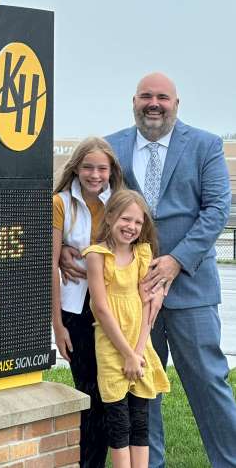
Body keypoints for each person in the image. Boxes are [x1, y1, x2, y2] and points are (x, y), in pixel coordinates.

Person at [61, 72, 236, 467]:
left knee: (209, 383)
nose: (153, 104)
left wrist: (176, 262)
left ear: (176, 104)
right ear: (134, 101)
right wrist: (65, 250)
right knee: (139, 387)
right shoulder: (114, 146)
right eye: (145, 97)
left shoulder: (206, 145)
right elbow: (87, 201)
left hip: (190, 288)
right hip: (128, 295)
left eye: (162, 97)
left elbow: (216, 211)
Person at [83, 189, 170, 468]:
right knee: (119, 423)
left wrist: (140, 349)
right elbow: (102, 309)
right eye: (125, 219)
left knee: (140, 421)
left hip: (139, 345)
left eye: (138, 222)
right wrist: (127, 354)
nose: (131, 227)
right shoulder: (97, 256)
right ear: (109, 217)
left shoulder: (143, 253)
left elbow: (147, 303)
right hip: (112, 347)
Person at [52, 136, 124, 468]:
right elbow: (51, 266)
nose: (95, 175)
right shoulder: (61, 204)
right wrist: (57, 327)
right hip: (75, 312)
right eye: (88, 167)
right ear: (76, 168)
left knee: (110, 393)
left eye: (102, 168)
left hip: (112, 310)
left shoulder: (121, 204)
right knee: (88, 393)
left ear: (112, 171)